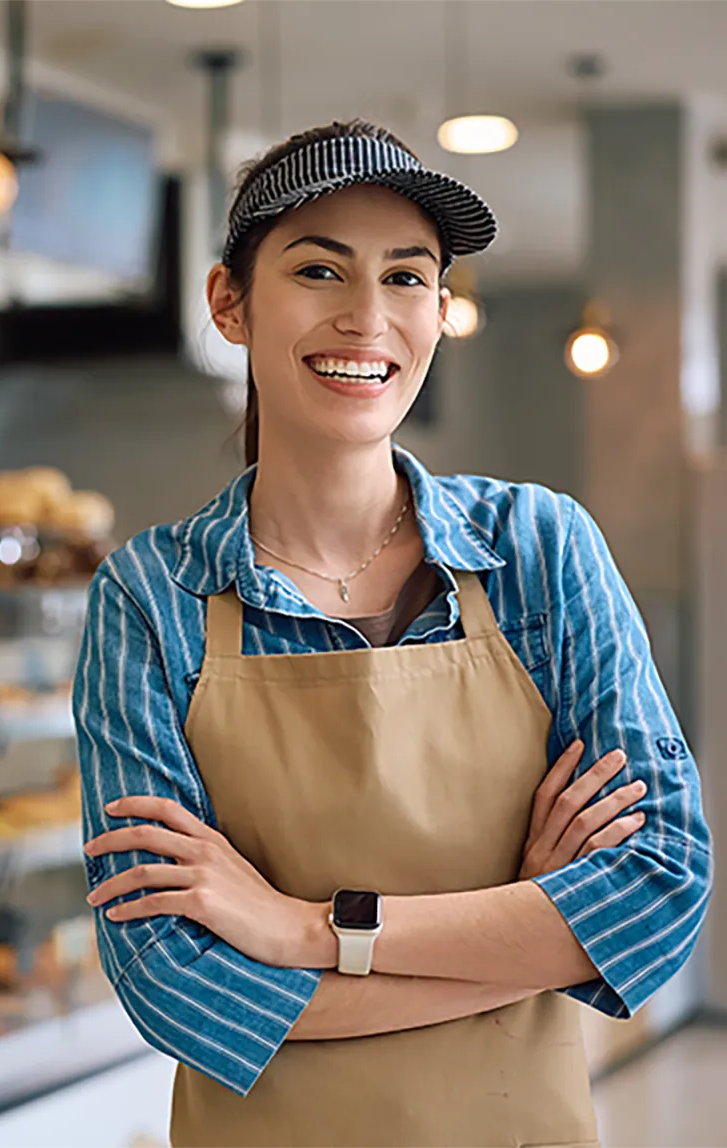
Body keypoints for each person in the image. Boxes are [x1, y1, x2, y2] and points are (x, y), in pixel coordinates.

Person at [73, 120, 713, 1147]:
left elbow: (658, 892)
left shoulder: (541, 547)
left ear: (441, 308)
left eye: (408, 277)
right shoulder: (152, 594)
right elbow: (177, 988)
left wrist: (304, 932)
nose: (367, 317)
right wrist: (530, 927)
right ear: (229, 303)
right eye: (319, 268)